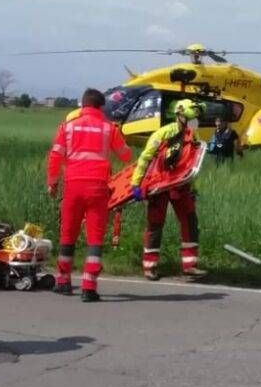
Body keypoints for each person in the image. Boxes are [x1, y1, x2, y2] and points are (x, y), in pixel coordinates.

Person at [47, 88, 132, 302]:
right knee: (94, 238)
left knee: (68, 234)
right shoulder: (108, 128)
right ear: (101, 107)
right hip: (98, 188)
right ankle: (88, 287)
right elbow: (125, 156)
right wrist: (119, 135)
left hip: (72, 186)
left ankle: (63, 281)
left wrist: (52, 183)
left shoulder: (67, 127)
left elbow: (55, 156)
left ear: (82, 106)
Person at [131, 99, 206, 281]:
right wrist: (136, 184)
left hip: (181, 186)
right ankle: (150, 267)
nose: (192, 122)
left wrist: (193, 188)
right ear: (179, 115)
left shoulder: (192, 136)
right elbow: (145, 158)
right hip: (159, 186)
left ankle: (189, 266)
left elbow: (190, 165)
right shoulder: (163, 134)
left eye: (194, 119)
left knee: (190, 222)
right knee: (155, 225)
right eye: (189, 118)